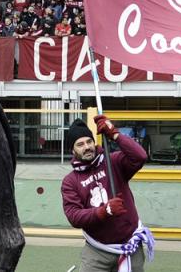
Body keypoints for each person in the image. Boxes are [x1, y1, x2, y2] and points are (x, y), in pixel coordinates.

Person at [61, 115, 154, 271]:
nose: (87, 147)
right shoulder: (70, 181)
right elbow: (74, 216)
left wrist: (115, 135)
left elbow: (140, 156)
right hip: (98, 250)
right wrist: (104, 211)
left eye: (89, 141)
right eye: (80, 144)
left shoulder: (113, 162)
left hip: (129, 246)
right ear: (73, 150)